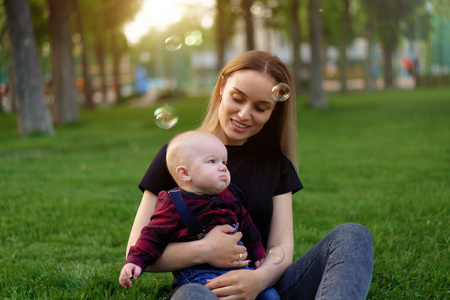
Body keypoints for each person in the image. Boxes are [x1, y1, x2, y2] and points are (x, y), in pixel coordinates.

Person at [126, 50, 374, 299]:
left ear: (273, 110)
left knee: (353, 236)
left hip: (267, 284)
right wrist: (204, 250)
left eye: (260, 107)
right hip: (206, 287)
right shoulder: (179, 157)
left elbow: (280, 247)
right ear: (222, 86)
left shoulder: (274, 161)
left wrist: (257, 280)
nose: (244, 114)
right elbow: (137, 250)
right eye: (238, 98)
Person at [119, 130, 279, 299]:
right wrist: (135, 261)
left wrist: (259, 254)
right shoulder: (174, 203)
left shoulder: (230, 196)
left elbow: (249, 229)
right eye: (212, 161)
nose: (222, 167)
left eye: (224, 162)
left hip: (241, 270)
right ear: (185, 173)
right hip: (201, 277)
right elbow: (152, 236)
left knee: (270, 295)